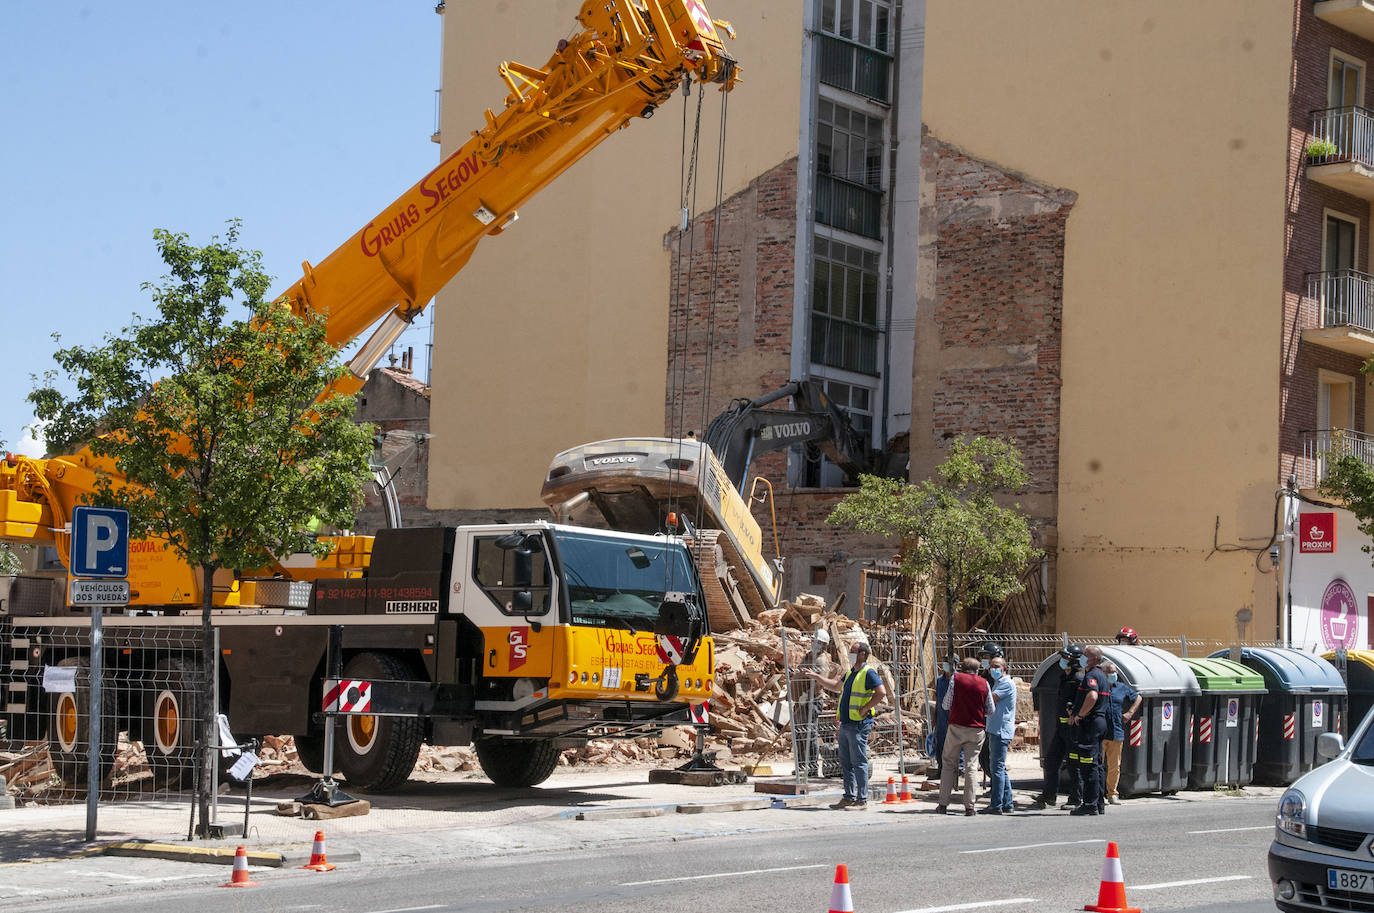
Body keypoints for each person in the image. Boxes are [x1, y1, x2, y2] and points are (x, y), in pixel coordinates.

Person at [805, 639, 887, 810]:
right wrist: (817, 677)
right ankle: (849, 797)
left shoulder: (868, 672)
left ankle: (861, 799)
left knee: (858, 761)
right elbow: (835, 686)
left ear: (862, 654)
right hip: (847, 723)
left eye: (853, 651)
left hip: (859, 723)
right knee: (846, 762)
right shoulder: (850, 673)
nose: (850, 653)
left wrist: (865, 708)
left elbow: (881, 693)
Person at [1026, 644, 1084, 810]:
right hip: (1061, 728)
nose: (1063, 661)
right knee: (1051, 761)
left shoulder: (1078, 679)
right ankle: (1049, 796)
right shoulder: (1063, 677)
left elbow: (1081, 701)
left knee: (1074, 765)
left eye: (1066, 658)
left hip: (1073, 729)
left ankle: (1075, 799)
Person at [936, 657, 994, 816]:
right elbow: (990, 709)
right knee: (971, 767)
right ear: (977, 670)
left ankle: (942, 804)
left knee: (948, 764)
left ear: (961, 668)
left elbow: (946, 704)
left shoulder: (956, 679)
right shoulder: (984, 683)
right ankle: (970, 806)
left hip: (956, 726)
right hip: (976, 729)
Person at [1066, 645, 1110, 816]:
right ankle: (1098, 803)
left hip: (1091, 723)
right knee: (1096, 763)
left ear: (1094, 659)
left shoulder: (1092, 675)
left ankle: (1090, 804)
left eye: (1085, 655)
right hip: (1099, 722)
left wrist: (1079, 716)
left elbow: (1092, 696)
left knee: (1087, 764)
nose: (1082, 658)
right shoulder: (1102, 676)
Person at [1100, 660, 1141, 806]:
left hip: (1116, 732)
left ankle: (1112, 793)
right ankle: (1098, 794)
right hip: (1100, 733)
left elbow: (1137, 697)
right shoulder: (1099, 687)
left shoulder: (1121, 688)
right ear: (1103, 673)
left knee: (1114, 766)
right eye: (1110, 672)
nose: (1113, 674)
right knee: (1098, 765)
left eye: (1115, 672)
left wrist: (1130, 713)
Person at [981, 654, 1017, 814]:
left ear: (1004, 668)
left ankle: (996, 804)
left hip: (1000, 730)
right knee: (999, 768)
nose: (993, 669)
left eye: (997, 666)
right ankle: (1007, 803)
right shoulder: (997, 683)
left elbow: (991, 700)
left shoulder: (1006, 684)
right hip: (995, 729)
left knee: (996, 769)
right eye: (991, 666)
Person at [976, 641, 1004, 787]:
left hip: (996, 723)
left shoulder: (1001, 680)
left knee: (994, 759)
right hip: (983, 722)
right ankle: (996, 787)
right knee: (983, 756)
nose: (984, 660)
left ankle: (1000, 790)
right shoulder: (983, 676)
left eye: (987, 656)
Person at [933, 657, 953, 778]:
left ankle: (958, 770)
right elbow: (937, 699)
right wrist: (935, 717)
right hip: (941, 717)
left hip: (952, 718)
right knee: (940, 745)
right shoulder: (940, 680)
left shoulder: (956, 680)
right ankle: (941, 769)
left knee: (954, 746)